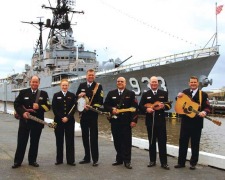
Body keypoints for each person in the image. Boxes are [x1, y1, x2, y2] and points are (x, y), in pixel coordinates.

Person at [12, 75, 51, 168]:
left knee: (34, 142)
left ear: (39, 83)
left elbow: (48, 107)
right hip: (25, 122)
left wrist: (40, 107)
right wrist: (23, 113)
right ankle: (17, 161)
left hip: (37, 123)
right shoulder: (23, 92)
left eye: (36, 82)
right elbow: (16, 104)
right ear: (30, 82)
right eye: (33, 82)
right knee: (21, 142)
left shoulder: (44, 94)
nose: (34, 83)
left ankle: (32, 160)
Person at [174, 76, 210, 170]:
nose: (193, 84)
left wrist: (204, 112)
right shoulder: (185, 92)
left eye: (195, 82)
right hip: (185, 122)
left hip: (197, 123)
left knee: (195, 144)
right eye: (191, 82)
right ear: (189, 83)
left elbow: (207, 107)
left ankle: (193, 163)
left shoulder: (203, 94)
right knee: (182, 143)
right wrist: (178, 96)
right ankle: (181, 162)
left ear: (197, 83)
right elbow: (178, 101)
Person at [104, 77, 138, 169]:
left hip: (126, 122)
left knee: (126, 142)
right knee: (117, 141)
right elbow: (105, 105)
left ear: (125, 83)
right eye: (118, 81)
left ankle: (127, 161)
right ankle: (119, 159)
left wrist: (134, 120)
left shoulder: (131, 93)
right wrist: (111, 109)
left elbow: (135, 108)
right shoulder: (111, 93)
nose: (120, 83)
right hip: (115, 121)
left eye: (122, 81)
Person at [139, 76, 171, 170]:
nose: (154, 84)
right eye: (152, 82)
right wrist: (147, 109)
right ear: (150, 83)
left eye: (155, 82)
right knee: (152, 142)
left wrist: (163, 106)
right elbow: (140, 106)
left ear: (158, 83)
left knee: (162, 142)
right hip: (150, 121)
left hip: (161, 122)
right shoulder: (146, 94)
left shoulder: (164, 93)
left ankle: (164, 163)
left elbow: (169, 105)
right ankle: (152, 161)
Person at [76, 69, 103, 166]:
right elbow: (77, 98)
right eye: (89, 75)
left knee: (93, 137)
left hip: (92, 115)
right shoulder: (81, 86)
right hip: (83, 115)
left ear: (94, 76)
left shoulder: (98, 86)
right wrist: (79, 95)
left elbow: (100, 101)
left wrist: (92, 107)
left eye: (92, 75)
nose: (91, 76)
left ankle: (95, 159)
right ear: (86, 76)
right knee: (85, 136)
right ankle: (87, 157)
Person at [52, 79, 76, 166]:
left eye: (66, 85)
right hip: (59, 122)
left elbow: (74, 109)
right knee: (59, 140)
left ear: (68, 86)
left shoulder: (72, 95)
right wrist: (62, 117)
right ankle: (59, 160)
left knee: (70, 141)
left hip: (69, 122)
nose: (65, 87)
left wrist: (67, 117)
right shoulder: (56, 95)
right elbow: (54, 108)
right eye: (63, 85)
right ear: (60, 86)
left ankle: (70, 160)